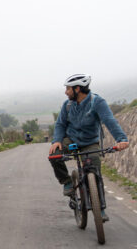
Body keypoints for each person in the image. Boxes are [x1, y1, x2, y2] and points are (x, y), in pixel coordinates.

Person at [49, 74, 129, 221]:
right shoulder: (67, 105)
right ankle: (67, 182)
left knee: (95, 172)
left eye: (68, 89)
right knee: (54, 155)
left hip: (90, 142)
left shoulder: (97, 102)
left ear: (77, 89)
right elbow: (60, 124)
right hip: (71, 139)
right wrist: (57, 140)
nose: (66, 92)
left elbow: (110, 121)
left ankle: (101, 209)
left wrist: (121, 139)